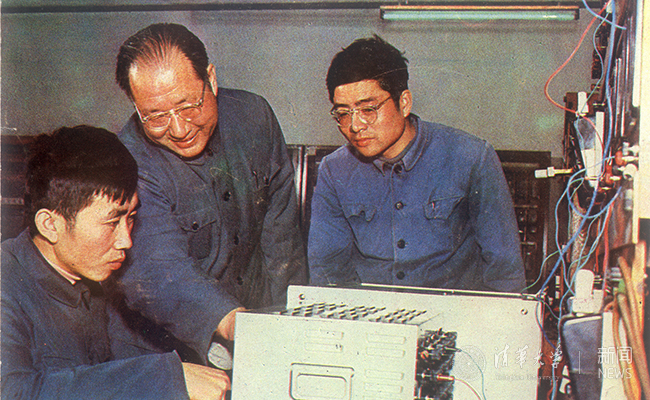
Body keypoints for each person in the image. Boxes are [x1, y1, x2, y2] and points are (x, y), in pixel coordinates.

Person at [113, 23, 308, 363]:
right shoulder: (128, 159)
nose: (179, 129)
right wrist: (237, 324)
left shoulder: (254, 117)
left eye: (188, 105)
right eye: (155, 117)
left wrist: (292, 327)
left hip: (254, 324)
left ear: (211, 79)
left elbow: (281, 240)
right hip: (164, 350)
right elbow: (159, 269)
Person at [1, 125, 230, 400]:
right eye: (112, 222)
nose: (126, 241)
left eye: (130, 218)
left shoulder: (92, 274)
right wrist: (164, 379)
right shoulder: (6, 285)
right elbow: (11, 393)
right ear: (50, 225)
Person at [308, 35, 526, 292]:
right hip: (372, 313)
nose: (355, 126)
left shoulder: (471, 157)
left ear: (404, 103)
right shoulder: (334, 170)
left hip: (454, 312)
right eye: (343, 113)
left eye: (368, 110)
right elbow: (328, 273)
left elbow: (504, 272)